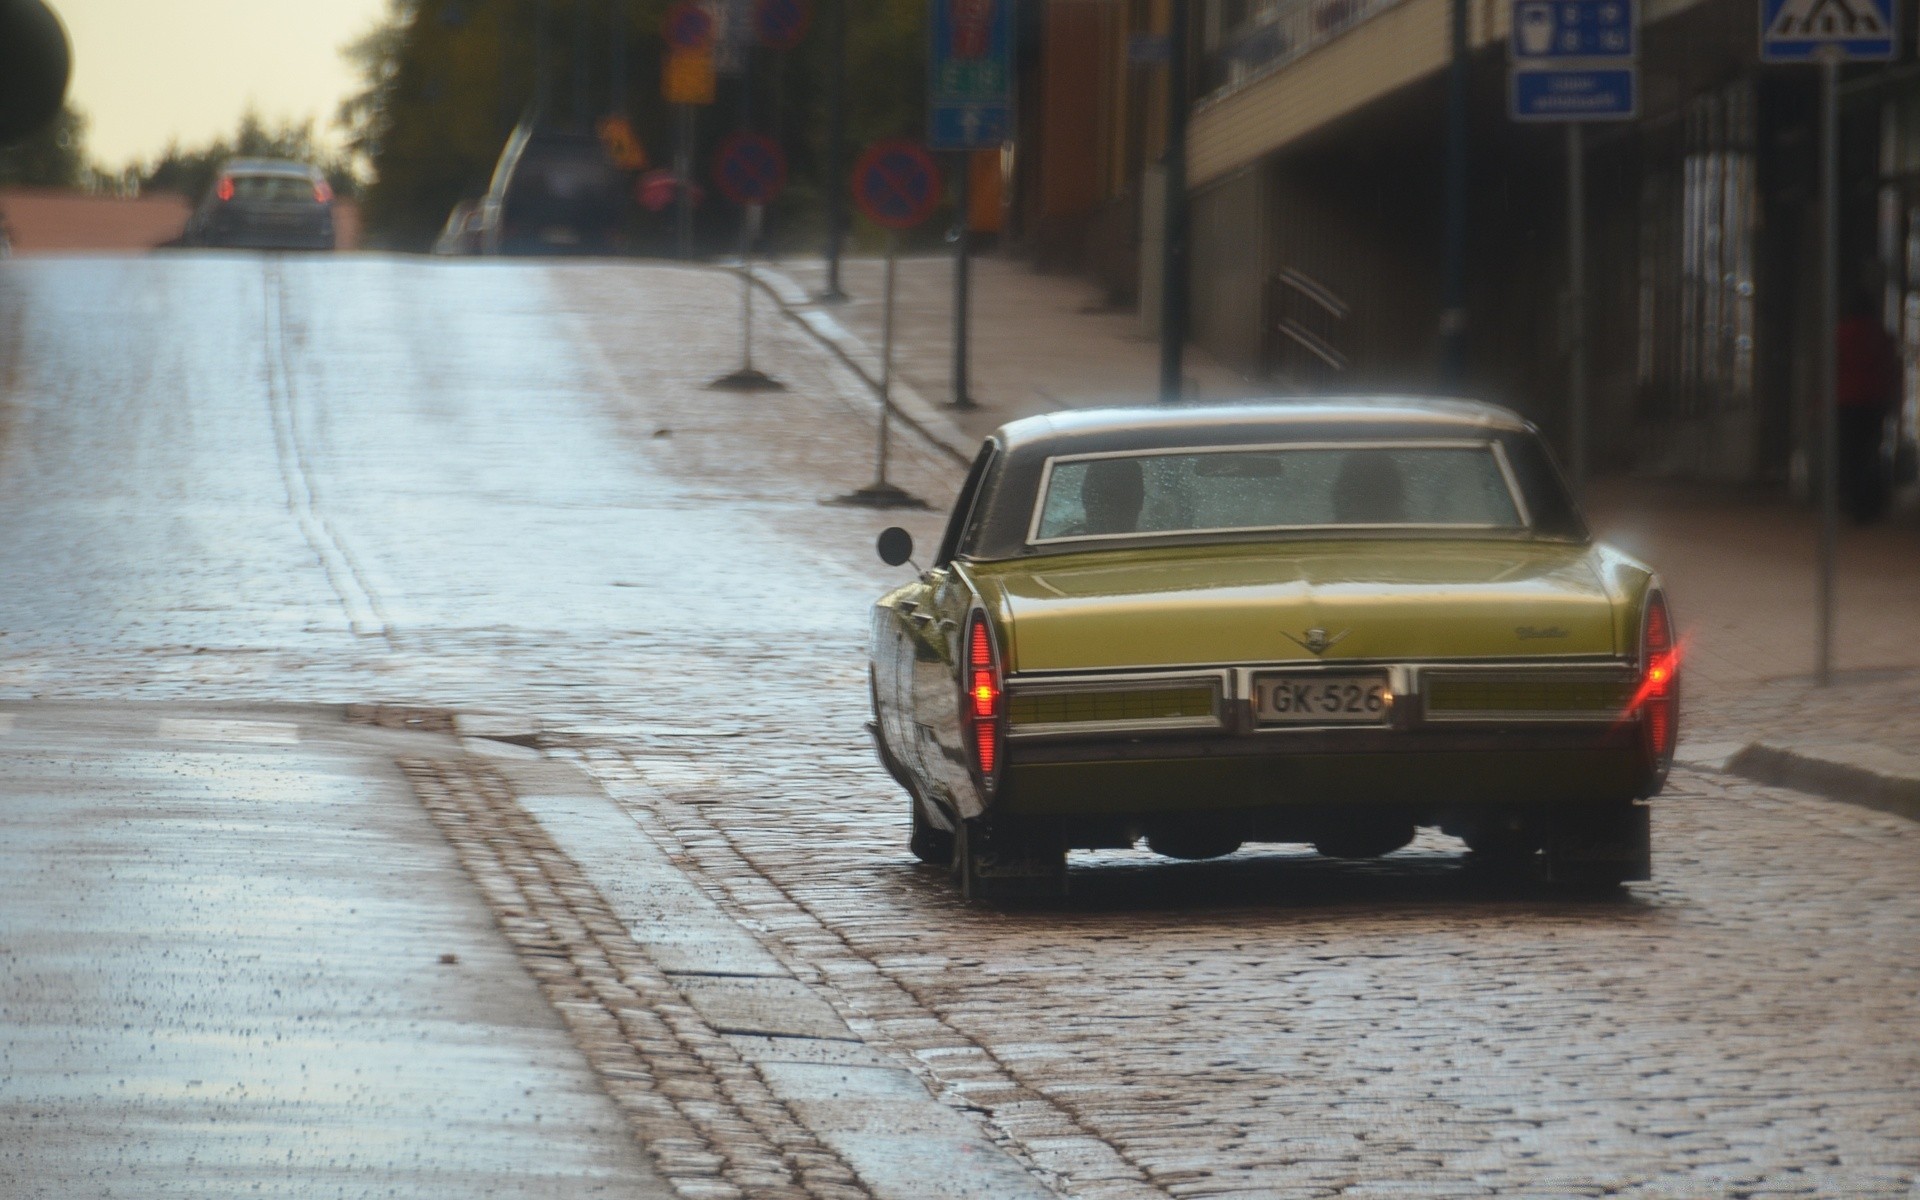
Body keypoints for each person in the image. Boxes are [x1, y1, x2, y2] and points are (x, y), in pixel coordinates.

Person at [1836, 290, 1900, 524]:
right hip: (1875, 400)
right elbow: (1891, 370)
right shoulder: (1882, 335)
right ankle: (1872, 502)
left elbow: (1833, 366)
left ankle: (1856, 504)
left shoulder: (1841, 334)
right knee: (1871, 451)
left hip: (1847, 400)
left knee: (1851, 454)